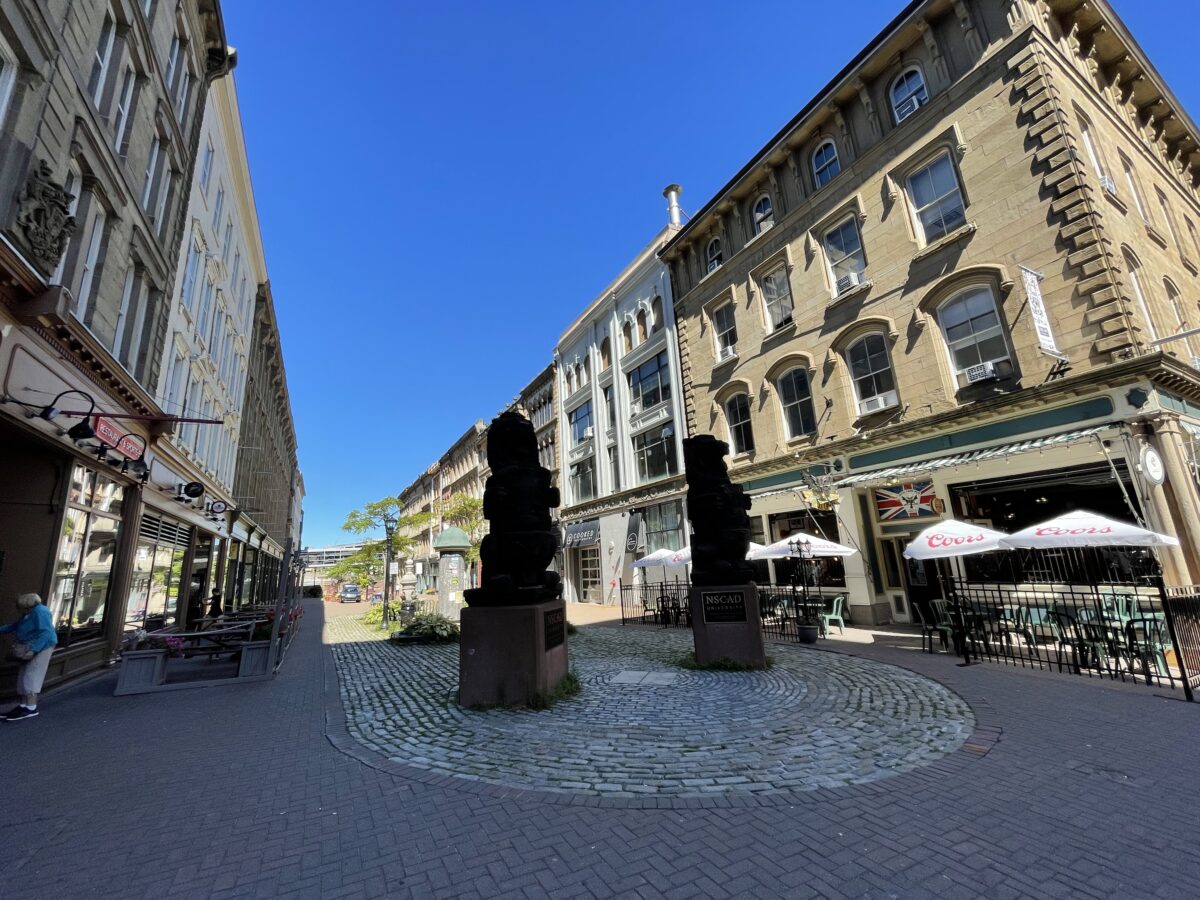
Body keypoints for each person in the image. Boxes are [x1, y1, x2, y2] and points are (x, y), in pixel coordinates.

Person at [1, 593, 58, 722]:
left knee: (32, 675)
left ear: (26, 605)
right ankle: (23, 705)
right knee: (24, 675)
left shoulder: (40, 612)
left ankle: (31, 708)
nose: (18, 609)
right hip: (31, 645)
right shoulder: (29, 612)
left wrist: (34, 650)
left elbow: (46, 633)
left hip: (41, 646)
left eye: (19, 607)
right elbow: (16, 626)